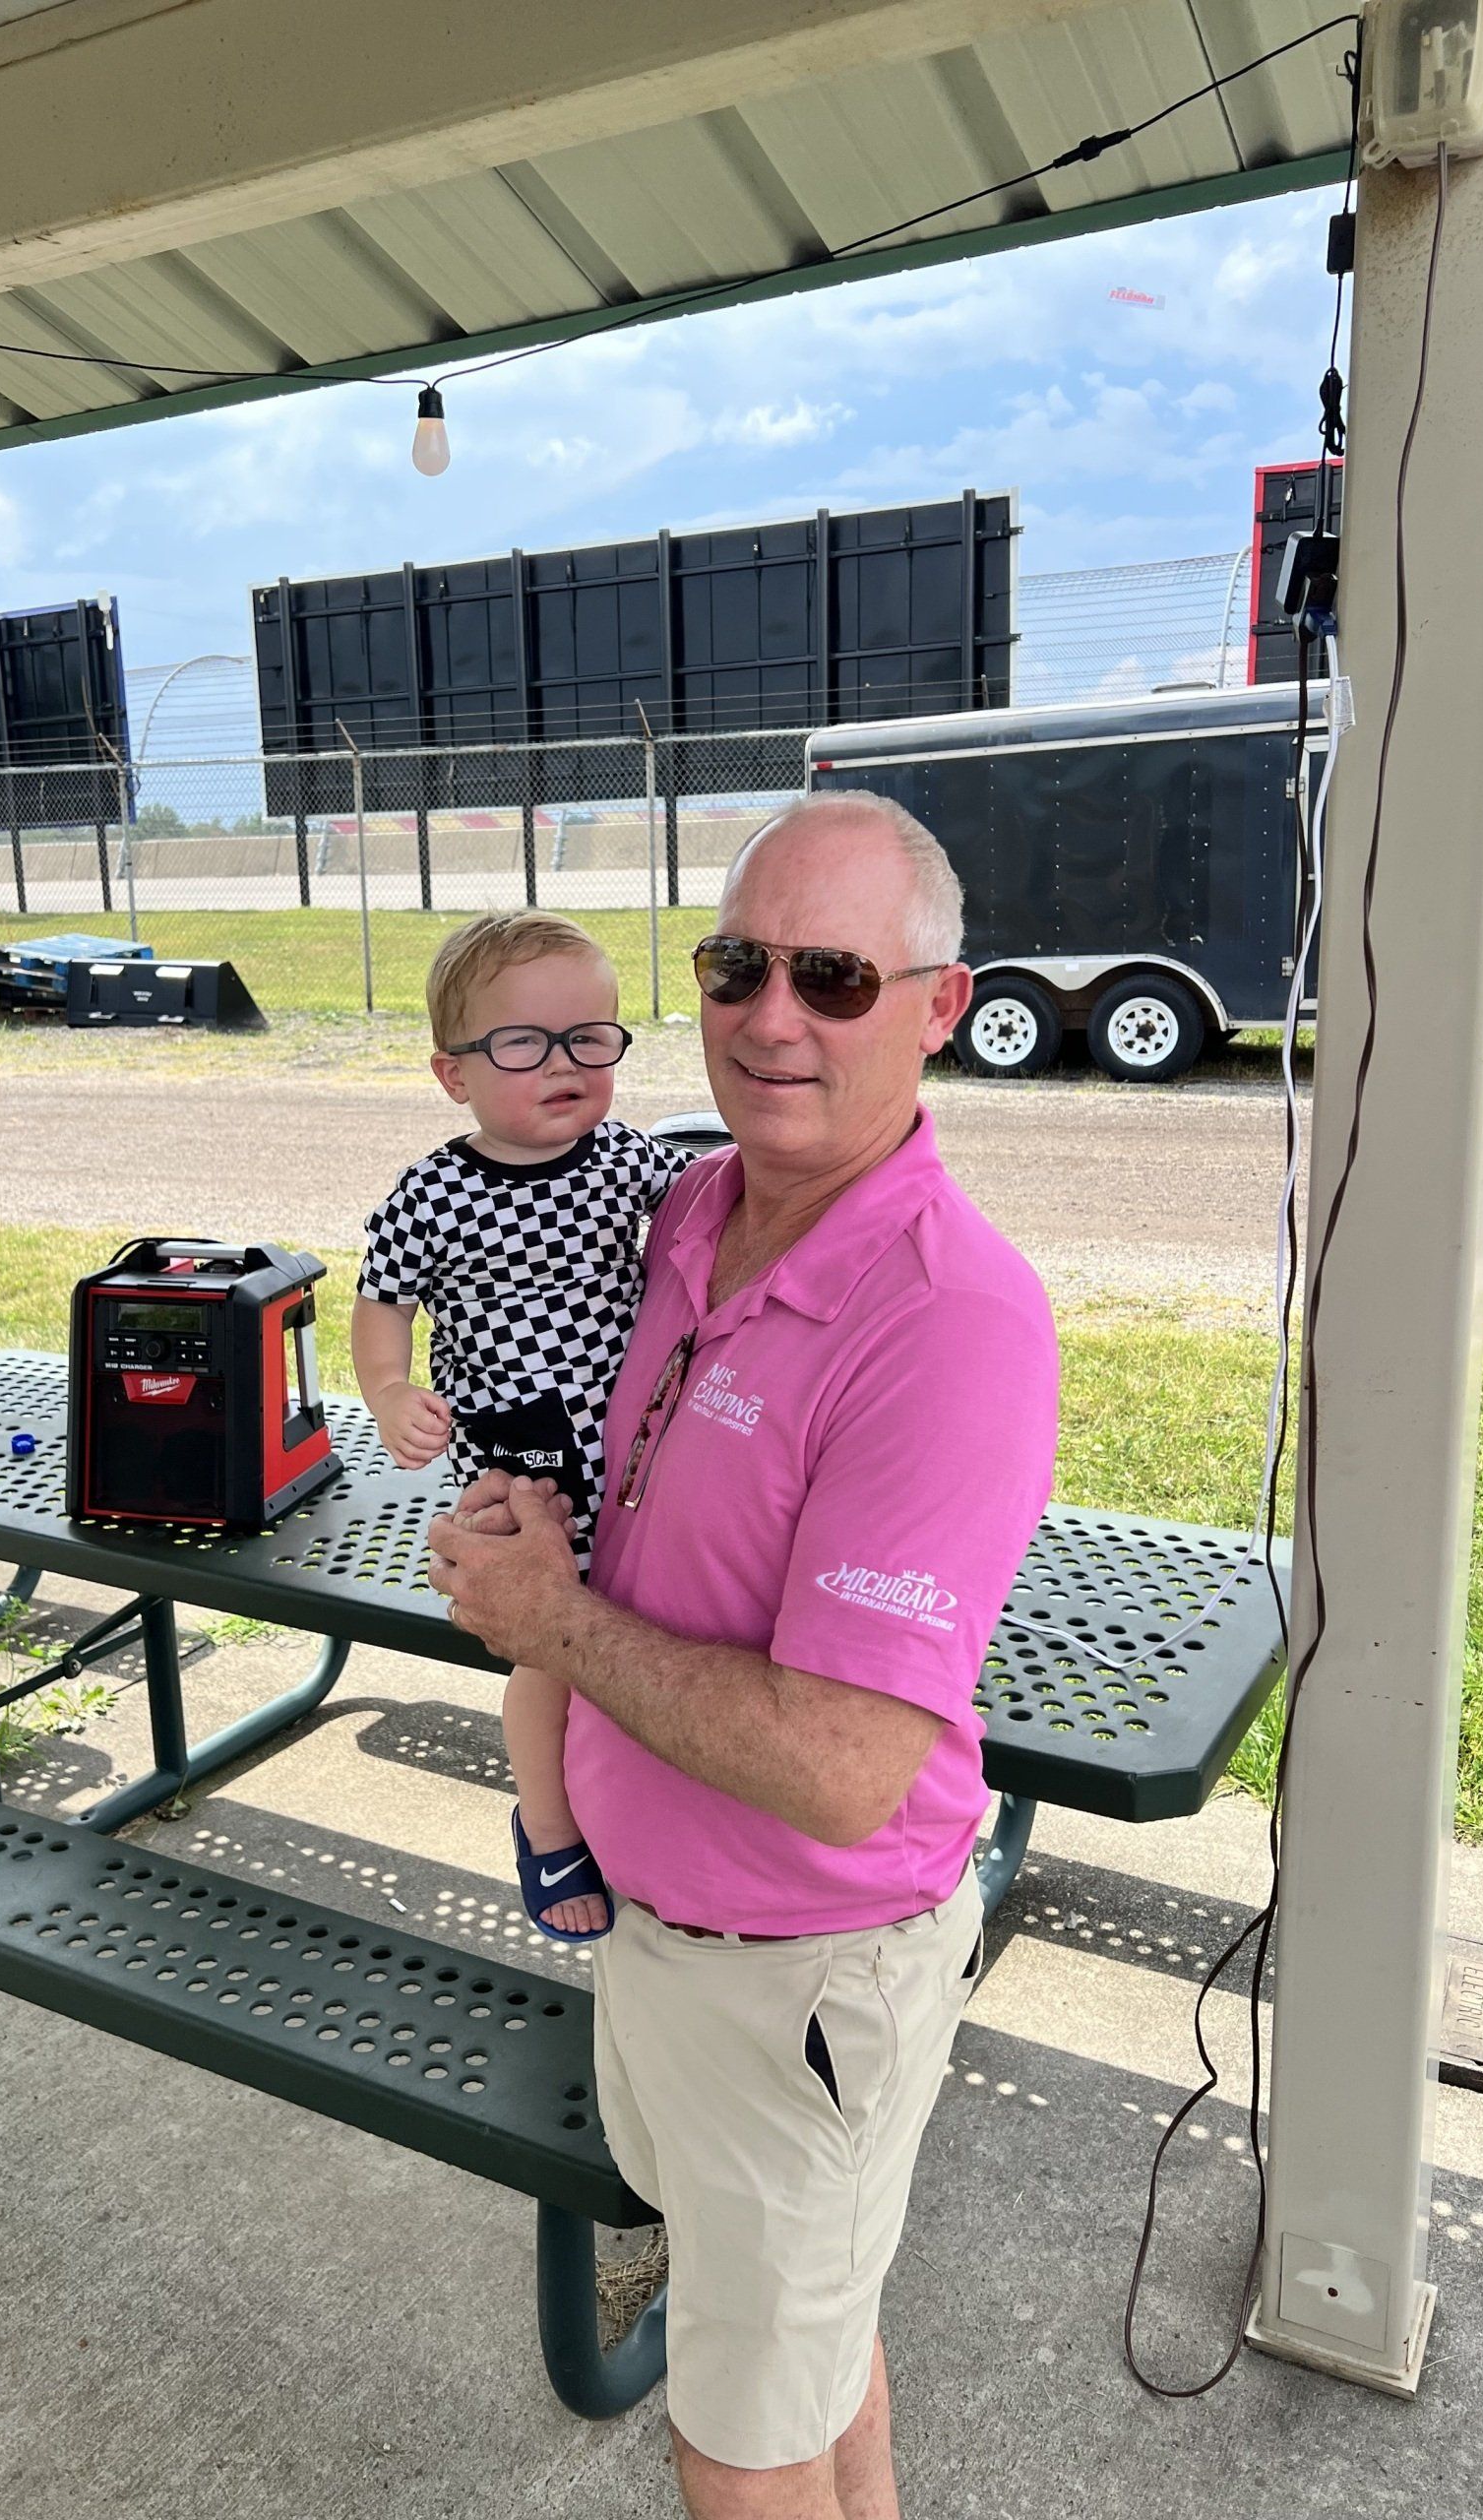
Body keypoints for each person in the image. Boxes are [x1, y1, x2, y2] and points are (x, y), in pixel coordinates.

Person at [427, 793, 1059, 2520]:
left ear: (941, 1006)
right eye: (737, 965)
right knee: (806, 2327)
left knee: (738, 2431)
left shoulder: (948, 1319)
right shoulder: (685, 1212)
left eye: (837, 978)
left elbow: (847, 1773)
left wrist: (549, 1625)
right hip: (664, 1934)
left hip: (799, 1977)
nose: (774, 1017)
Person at [351, 909, 690, 1942]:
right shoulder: (435, 1192)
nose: (564, 1064)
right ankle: (549, 1830)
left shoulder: (624, 1159)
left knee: (653, 1629)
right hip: (522, 1466)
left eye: (591, 1037)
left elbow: (708, 1218)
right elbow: (382, 1300)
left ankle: (653, 1806)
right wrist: (388, 1391)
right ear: (455, 1074)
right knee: (548, 1653)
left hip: (641, 1449)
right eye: (522, 1043)